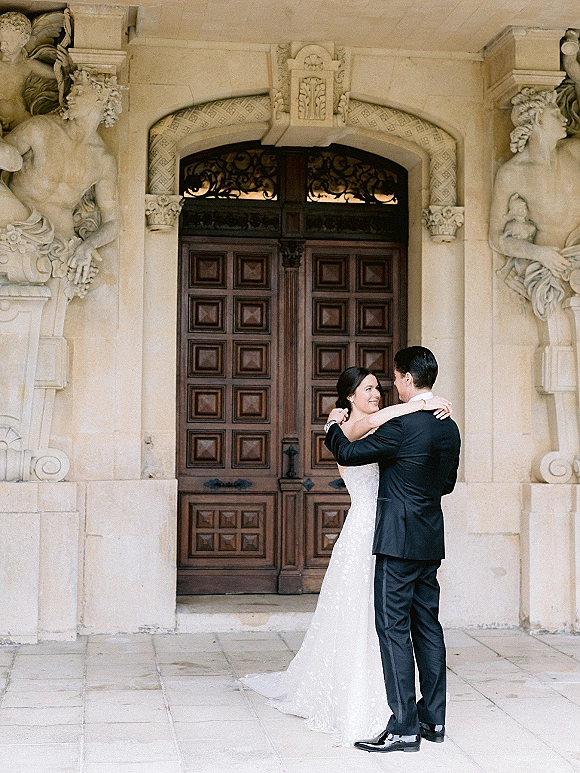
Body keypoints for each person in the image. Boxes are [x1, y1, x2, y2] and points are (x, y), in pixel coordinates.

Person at [241, 366, 451, 746]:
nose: (377, 393)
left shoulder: (391, 426)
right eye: (368, 388)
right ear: (350, 397)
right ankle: (417, 715)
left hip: (391, 531)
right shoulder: (354, 426)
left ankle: (404, 717)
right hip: (378, 530)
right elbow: (351, 447)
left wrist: (419, 406)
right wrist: (422, 405)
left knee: (392, 624)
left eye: (379, 387)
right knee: (386, 620)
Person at [325, 347, 460, 754]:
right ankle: (433, 721)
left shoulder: (404, 426)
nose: (391, 386)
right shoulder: (448, 426)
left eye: (395, 378)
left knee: (394, 630)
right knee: (428, 628)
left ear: (404, 377)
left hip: (397, 544)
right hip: (429, 540)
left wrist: (332, 427)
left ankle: (403, 727)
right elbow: (447, 484)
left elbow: (346, 452)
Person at [4, 67, 121, 285]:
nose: (70, 97)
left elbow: (113, 223)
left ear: (100, 96)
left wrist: (88, 246)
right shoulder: (40, 127)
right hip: (16, 224)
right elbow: (6, 153)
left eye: (78, 92)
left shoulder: (103, 158)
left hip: (60, 245)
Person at [489, 88, 580, 319]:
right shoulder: (512, 173)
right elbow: (496, 237)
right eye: (555, 114)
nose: (564, 119)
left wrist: (576, 74)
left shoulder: (574, 151)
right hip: (552, 269)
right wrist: (539, 254)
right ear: (538, 119)